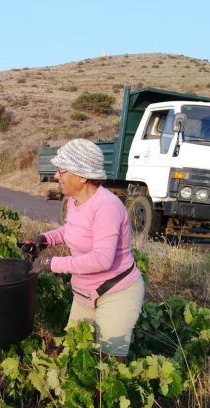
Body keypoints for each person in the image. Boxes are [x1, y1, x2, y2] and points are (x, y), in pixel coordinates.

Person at [23, 138, 144, 362]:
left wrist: (51, 264)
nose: (56, 176)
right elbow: (72, 230)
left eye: (62, 171)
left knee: (109, 363)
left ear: (82, 175)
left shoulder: (107, 206)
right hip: (84, 292)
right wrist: (45, 239)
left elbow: (102, 260)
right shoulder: (74, 201)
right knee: (74, 354)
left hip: (116, 292)